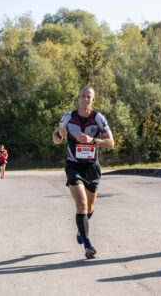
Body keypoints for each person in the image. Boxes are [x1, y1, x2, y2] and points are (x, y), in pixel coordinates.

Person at [52, 86, 114, 259]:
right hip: (73, 166)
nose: (85, 99)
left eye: (89, 97)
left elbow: (111, 143)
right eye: (83, 96)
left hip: (92, 167)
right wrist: (59, 133)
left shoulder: (98, 118)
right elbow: (55, 140)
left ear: (93, 99)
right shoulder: (68, 117)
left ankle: (82, 230)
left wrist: (93, 140)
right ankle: (88, 245)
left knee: (90, 207)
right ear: (78, 98)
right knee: (82, 205)